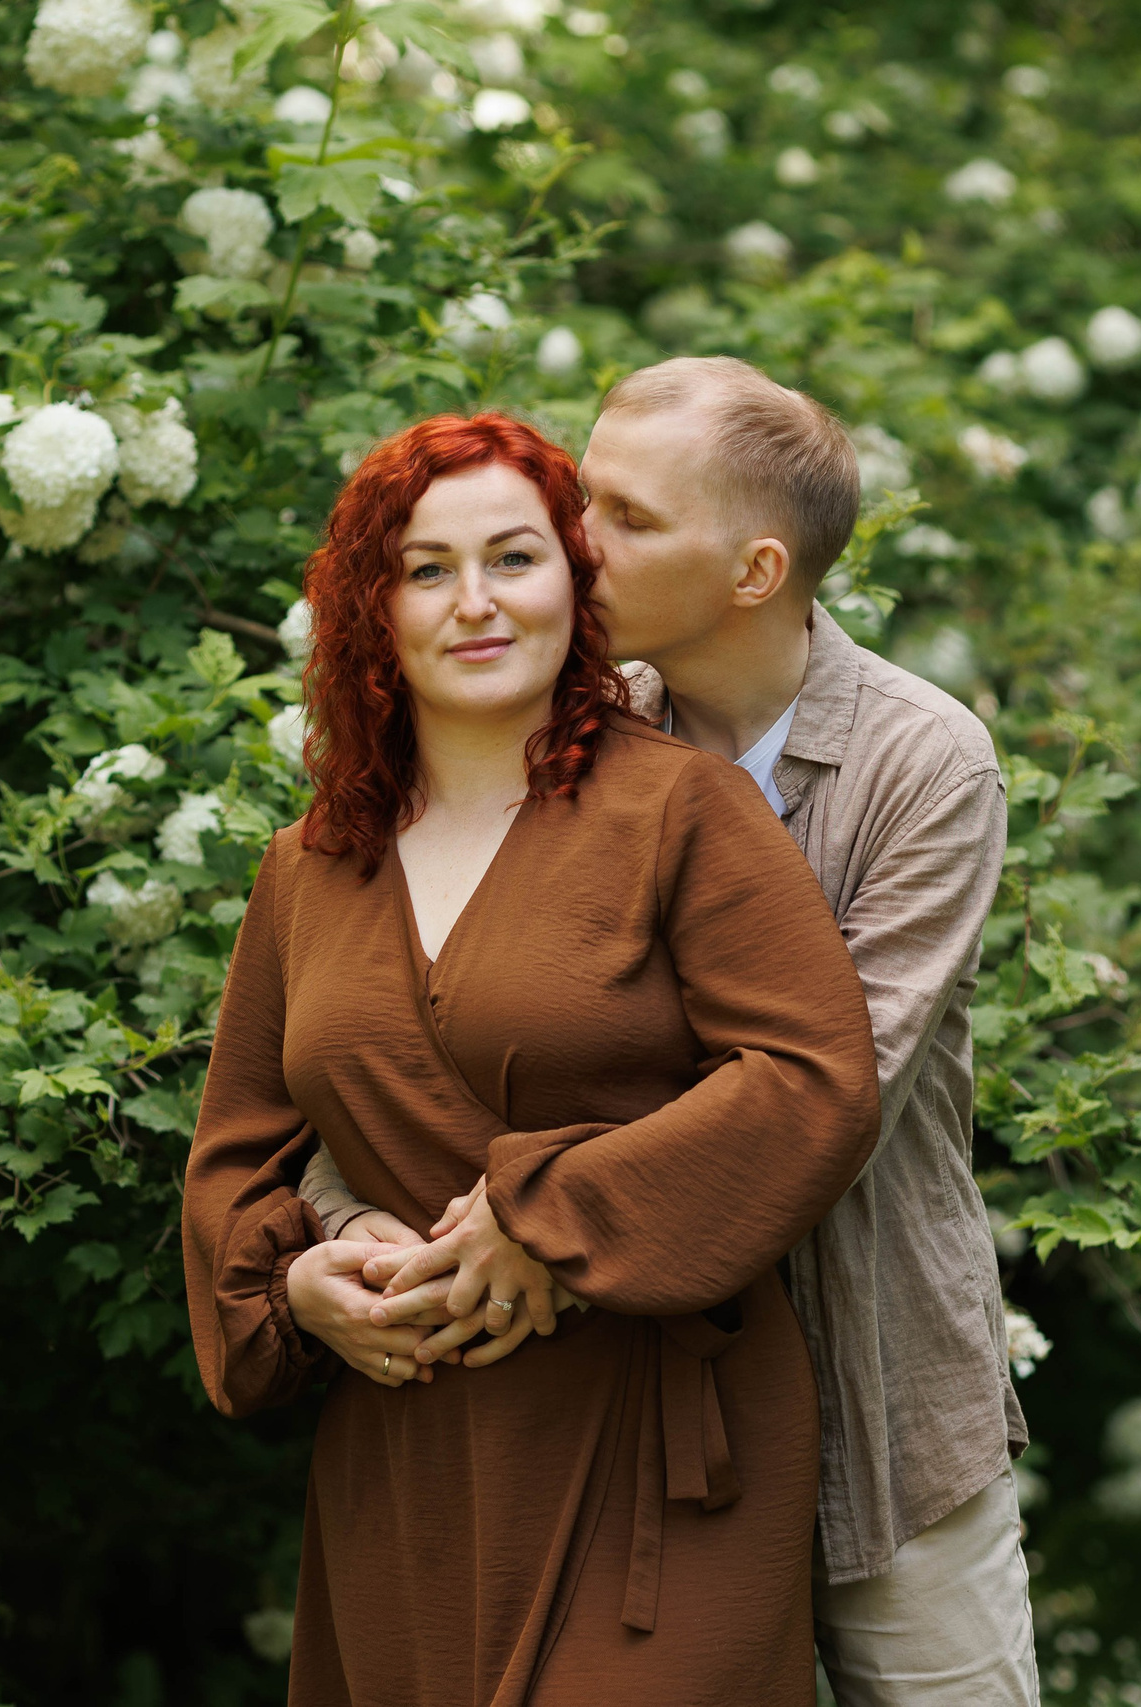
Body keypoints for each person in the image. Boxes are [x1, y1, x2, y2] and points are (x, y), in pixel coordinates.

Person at [303, 357, 1040, 1706]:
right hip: (624, 1397)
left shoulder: (923, 765)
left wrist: (545, 1217)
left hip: (879, 1381)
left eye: (630, 521)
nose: (576, 542)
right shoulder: (570, 739)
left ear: (755, 572)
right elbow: (424, 1030)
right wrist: (358, 1219)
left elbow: (835, 1087)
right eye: (585, 500)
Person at [179, 412, 881, 1704]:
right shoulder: (309, 869)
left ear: (574, 576)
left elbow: (813, 1082)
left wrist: (547, 1214)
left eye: (514, 558)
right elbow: (233, 1159)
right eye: (427, 569)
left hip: (660, 1447)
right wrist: (303, 1290)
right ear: (369, 608)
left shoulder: (684, 812)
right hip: (410, 1453)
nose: (476, 603)